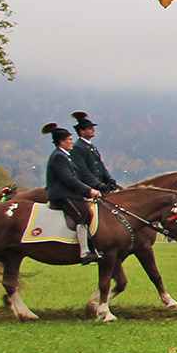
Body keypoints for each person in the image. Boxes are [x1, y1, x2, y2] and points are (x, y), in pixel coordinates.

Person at [42, 122, 102, 262]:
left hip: (69, 193)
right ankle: (84, 252)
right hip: (61, 195)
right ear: (61, 142)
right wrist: (90, 190)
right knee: (83, 215)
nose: (72, 142)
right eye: (69, 139)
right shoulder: (58, 157)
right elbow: (69, 179)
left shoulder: (65, 155)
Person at [70, 111, 119, 194]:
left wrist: (109, 179)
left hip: (99, 185)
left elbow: (100, 166)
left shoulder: (92, 147)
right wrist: (98, 185)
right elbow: (83, 170)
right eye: (89, 128)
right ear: (82, 131)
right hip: (89, 188)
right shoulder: (77, 147)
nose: (93, 130)